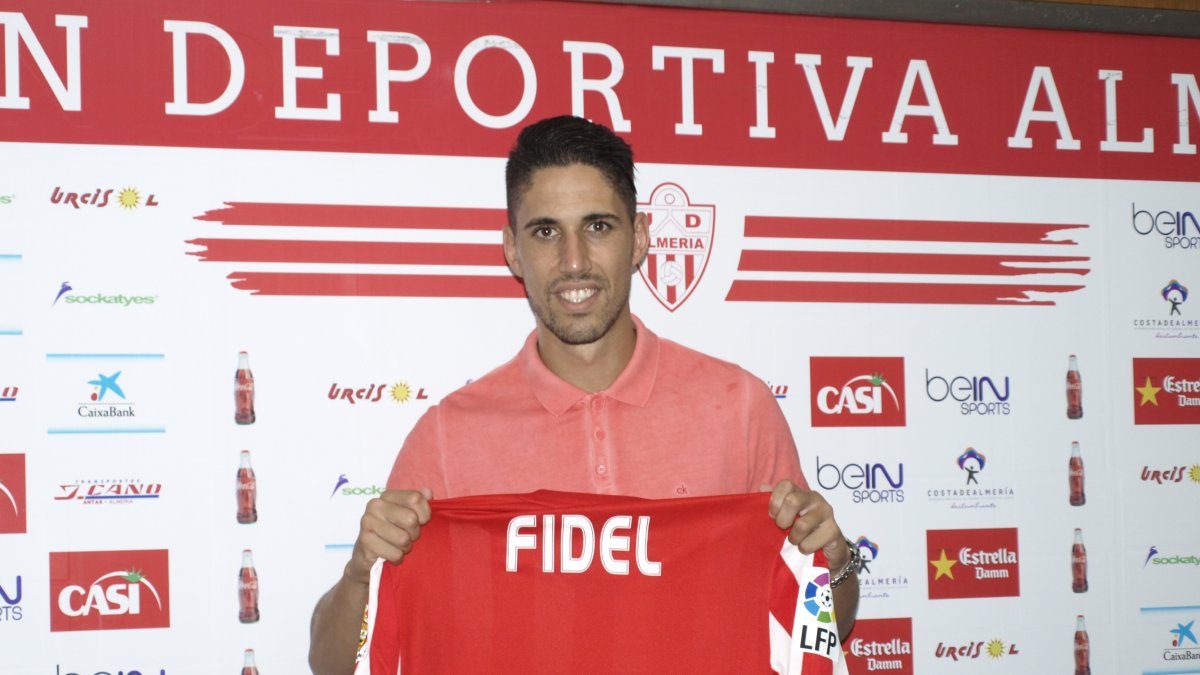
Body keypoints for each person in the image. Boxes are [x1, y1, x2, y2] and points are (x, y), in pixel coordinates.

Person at [308, 115, 858, 674]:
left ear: (640, 237)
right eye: (546, 231)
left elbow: (816, 633)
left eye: (598, 227)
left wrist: (832, 564)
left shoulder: (740, 408)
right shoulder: (448, 437)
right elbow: (331, 667)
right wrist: (361, 574)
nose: (574, 262)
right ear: (512, 250)